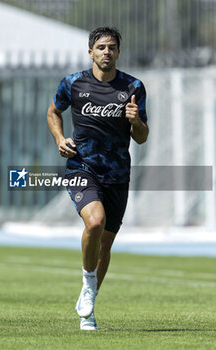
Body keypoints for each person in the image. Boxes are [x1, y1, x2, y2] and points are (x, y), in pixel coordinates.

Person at [47, 27, 149, 331]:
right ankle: (88, 289)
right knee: (95, 222)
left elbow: (141, 139)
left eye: (112, 48)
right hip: (82, 168)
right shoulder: (73, 83)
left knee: (105, 245)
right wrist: (59, 138)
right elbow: (54, 112)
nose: (107, 52)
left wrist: (136, 120)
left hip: (117, 174)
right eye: (101, 47)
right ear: (91, 52)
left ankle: (88, 305)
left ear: (118, 52)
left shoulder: (133, 86)